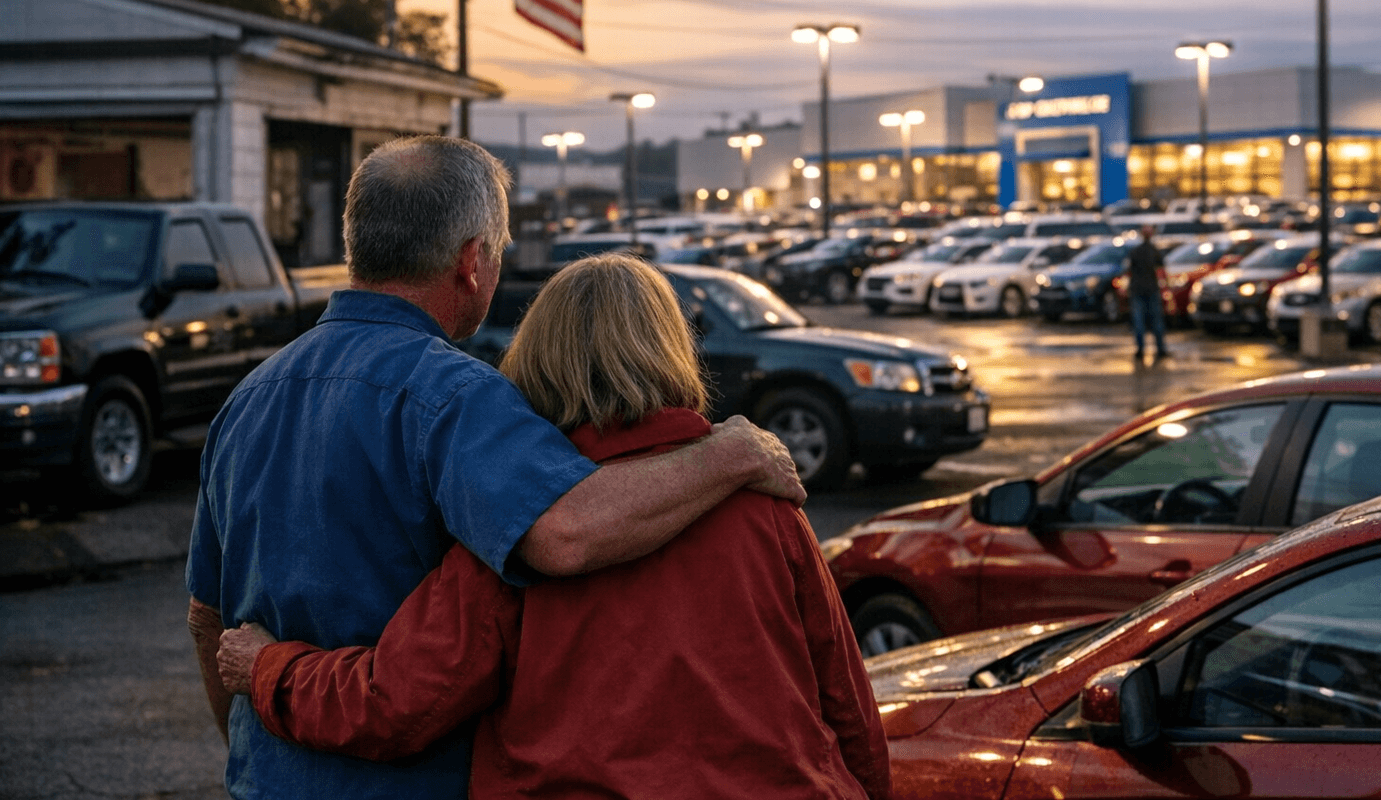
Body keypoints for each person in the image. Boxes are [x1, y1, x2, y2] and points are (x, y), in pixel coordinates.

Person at [185, 136, 801, 799]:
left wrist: (254, 754)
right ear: (472, 260)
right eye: (500, 254)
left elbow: (206, 618)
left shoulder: (247, 399)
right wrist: (730, 452)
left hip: (264, 778)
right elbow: (568, 533)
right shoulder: (454, 397)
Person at [216, 253, 891, 800]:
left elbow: (397, 703)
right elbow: (849, 706)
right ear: (673, 349)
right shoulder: (766, 501)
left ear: (538, 358)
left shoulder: (518, 533)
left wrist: (268, 666)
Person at [1126, 225, 1169, 360]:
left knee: (1139, 321)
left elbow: (1129, 270)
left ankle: (1141, 349)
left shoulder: (1136, 251)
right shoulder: (1154, 251)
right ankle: (1160, 349)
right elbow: (1161, 269)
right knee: (1156, 320)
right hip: (1150, 289)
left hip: (1139, 289)